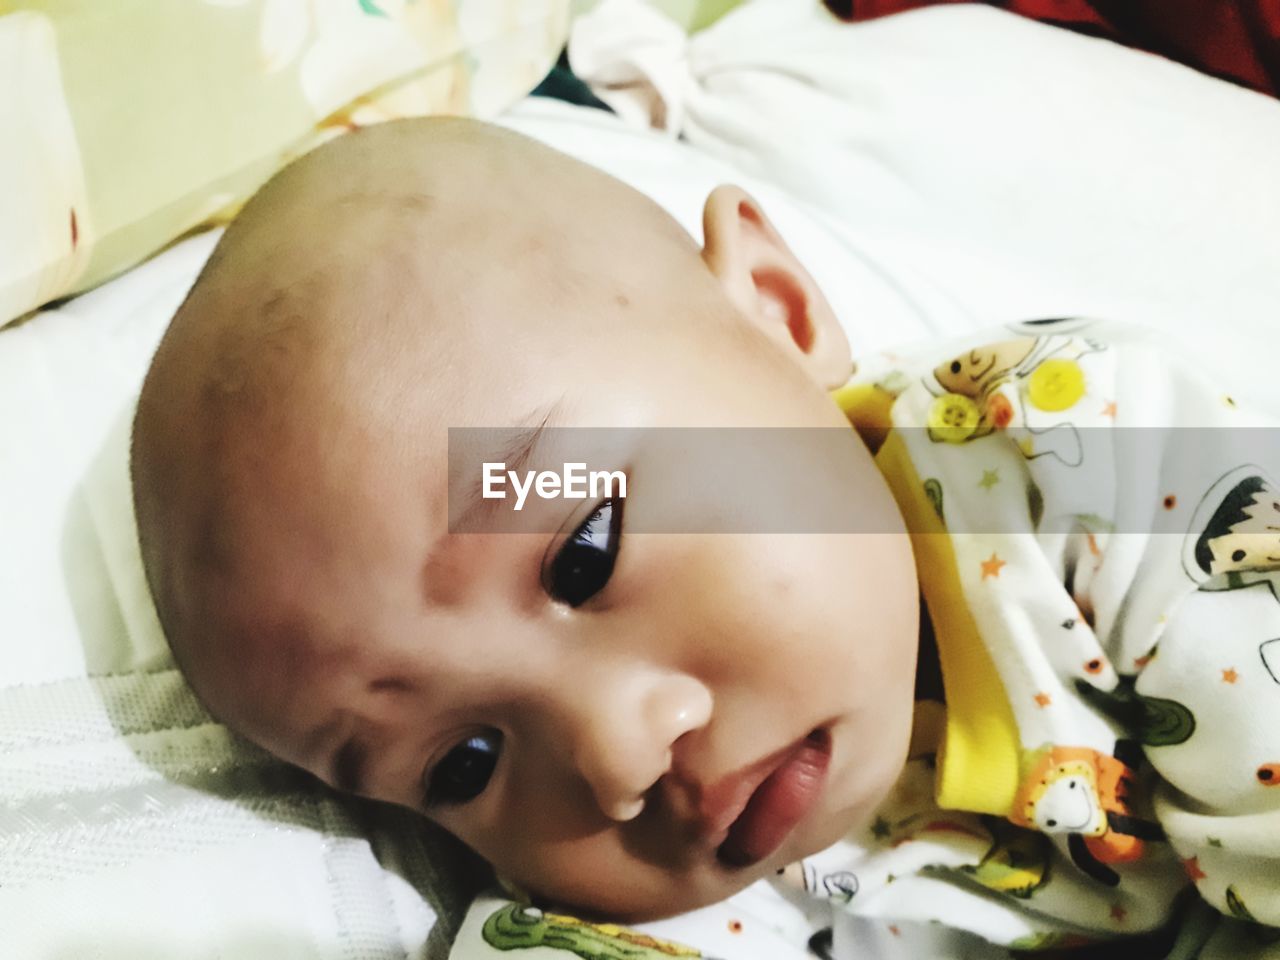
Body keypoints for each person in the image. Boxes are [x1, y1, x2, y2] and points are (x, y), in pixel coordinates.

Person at [130, 117, 1280, 958]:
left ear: (777, 312)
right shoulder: (616, 916)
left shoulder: (1079, 448)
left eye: (584, 551)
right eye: (462, 764)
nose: (616, 761)